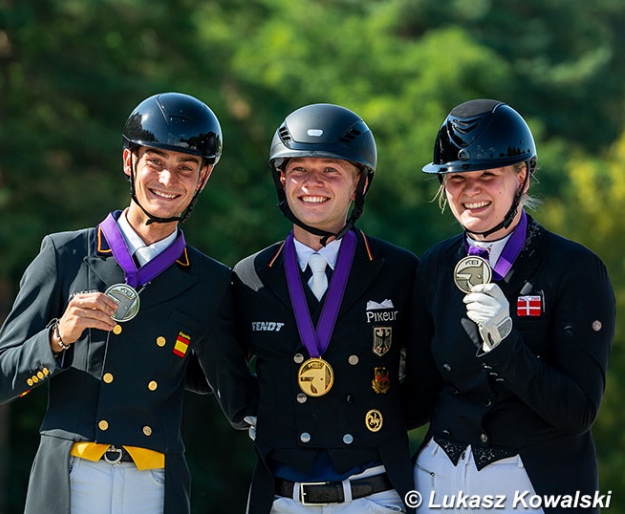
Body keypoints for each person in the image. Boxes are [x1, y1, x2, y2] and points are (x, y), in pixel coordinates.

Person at [0, 92, 256, 514]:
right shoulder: (63, 254)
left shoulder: (212, 282)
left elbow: (233, 397)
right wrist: (59, 336)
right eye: (156, 162)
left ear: (203, 179)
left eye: (186, 168)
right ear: (129, 162)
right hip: (70, 476)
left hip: (154, 483)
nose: (168, 180)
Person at [407, 99, 615, 513]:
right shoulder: (434, 264)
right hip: (439, 478)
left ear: (521, 175)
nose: (471, 191)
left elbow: (578, 411)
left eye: (488, 175)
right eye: (457, 178)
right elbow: (415, 397)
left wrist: (505, 345)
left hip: (531, 483)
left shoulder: (574, 269)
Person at [232, 103, 419, 513]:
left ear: (359, 184)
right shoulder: (250, 276)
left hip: (376, 495)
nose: (312, 182)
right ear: (281, 180)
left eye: (331, 170)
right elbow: (218, 371)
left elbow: (426, 380)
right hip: (282, 499)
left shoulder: (400, 270)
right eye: (299, 170)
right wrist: (261, 412)